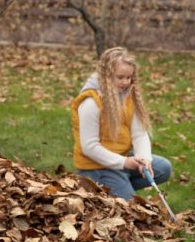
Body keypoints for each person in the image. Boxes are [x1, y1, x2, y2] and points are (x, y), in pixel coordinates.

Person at [71, 47, 173, 200]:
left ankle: (120, 187)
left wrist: (144, 159)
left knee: (163, 168)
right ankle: (110, 188)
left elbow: (139, 133)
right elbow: (89, 147)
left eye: (129, 77)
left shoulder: (127, 95)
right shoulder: (91, 102)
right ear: (106, 75)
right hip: (96, 167)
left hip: (123, 158)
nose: (126, 82)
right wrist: (124, 162)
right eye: (120, 77)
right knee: (130, 210)